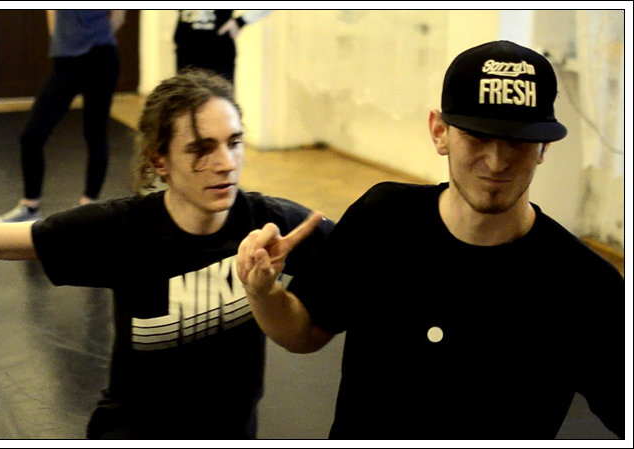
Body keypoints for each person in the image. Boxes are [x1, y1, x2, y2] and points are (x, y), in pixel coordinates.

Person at [0, 69, 334, 439]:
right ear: (159, 159)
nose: (226, 163)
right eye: (201, 149)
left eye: (234, 142)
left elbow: (363, 256)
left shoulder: (271, 226)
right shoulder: (122, 229)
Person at [236, 40, 624, 439]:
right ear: (440, 132)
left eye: (518, 141)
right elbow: (304, 332)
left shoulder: (585, 285)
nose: (497, 162)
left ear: (543, 148)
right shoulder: (383, 219)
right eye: (477, 137)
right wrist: (262, 292)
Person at [0, 10, 125, 223]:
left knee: (95, 133)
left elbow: (119, 16)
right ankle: (30, 206)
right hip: (65, 62)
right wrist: (63, 41)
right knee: (31, 136)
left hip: (100, 57)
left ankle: (88, 207)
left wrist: (91, 37)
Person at [174, 10, 272, 83]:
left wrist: (241, 21)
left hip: (218, 50)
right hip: (186, 48)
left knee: (220, 97)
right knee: (185, 98)